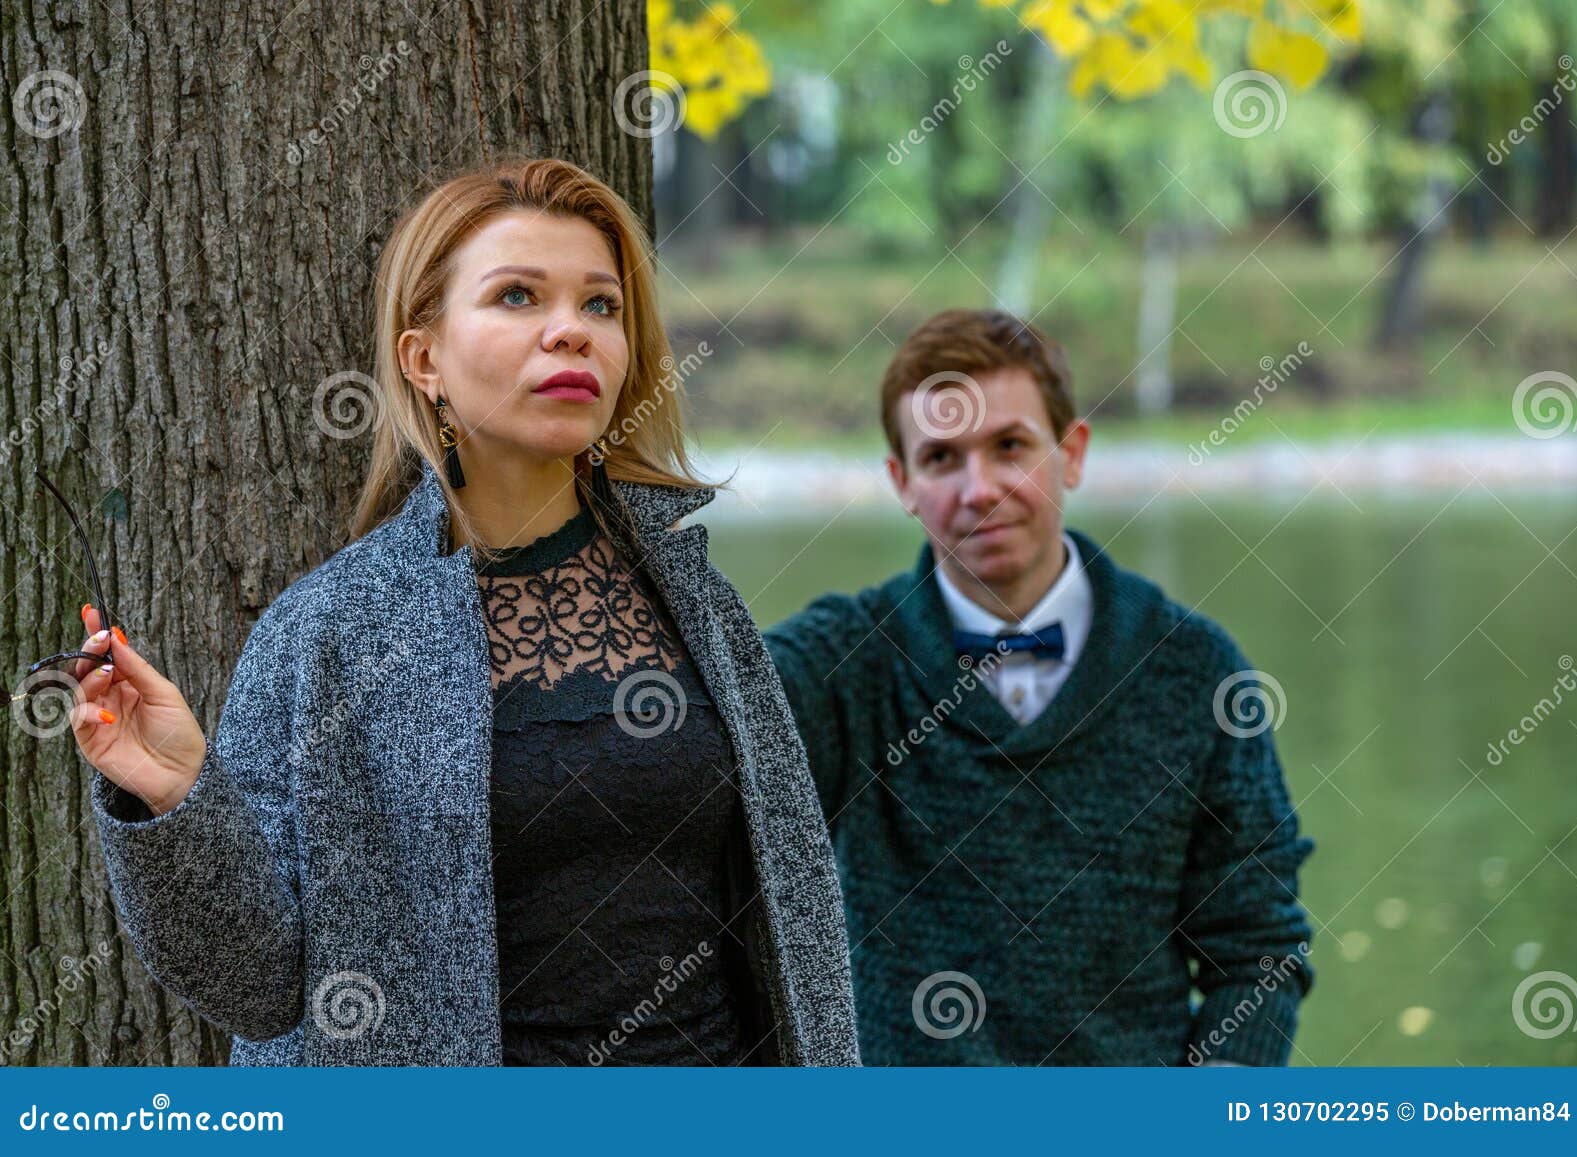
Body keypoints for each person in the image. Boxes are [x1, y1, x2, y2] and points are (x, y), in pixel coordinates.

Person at [65, 157, 858, 1067]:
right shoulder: (330, 631)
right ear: (424, 359)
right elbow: (258, 986)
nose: (572, 331)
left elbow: (785, 929)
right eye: (518, 296)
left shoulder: (695, 597)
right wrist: (177, 794)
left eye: (601, 305)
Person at [763, 308, 1315, 1066]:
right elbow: (699, 728)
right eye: (942, 458)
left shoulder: (1196, 669)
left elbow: (1257, 949)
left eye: (1010, 446)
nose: (980, 489)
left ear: (1072, 452)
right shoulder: (838, 666)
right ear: (903, 483)